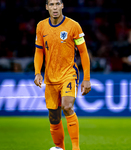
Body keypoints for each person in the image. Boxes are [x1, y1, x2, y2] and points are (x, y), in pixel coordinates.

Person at [33, 0, 91, 150]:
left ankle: (76, 147)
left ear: (62, 6)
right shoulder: (41, 26)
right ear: (46, 7)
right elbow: (39, 51)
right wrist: (37, 73)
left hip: (68, 74)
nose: (54, 7)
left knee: (67, 106)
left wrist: (87, 79)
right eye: (51, 4)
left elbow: (83, 52)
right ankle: (60, 148)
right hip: (50, 77)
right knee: (53, 115)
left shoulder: (73, 26)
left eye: (57, 3)